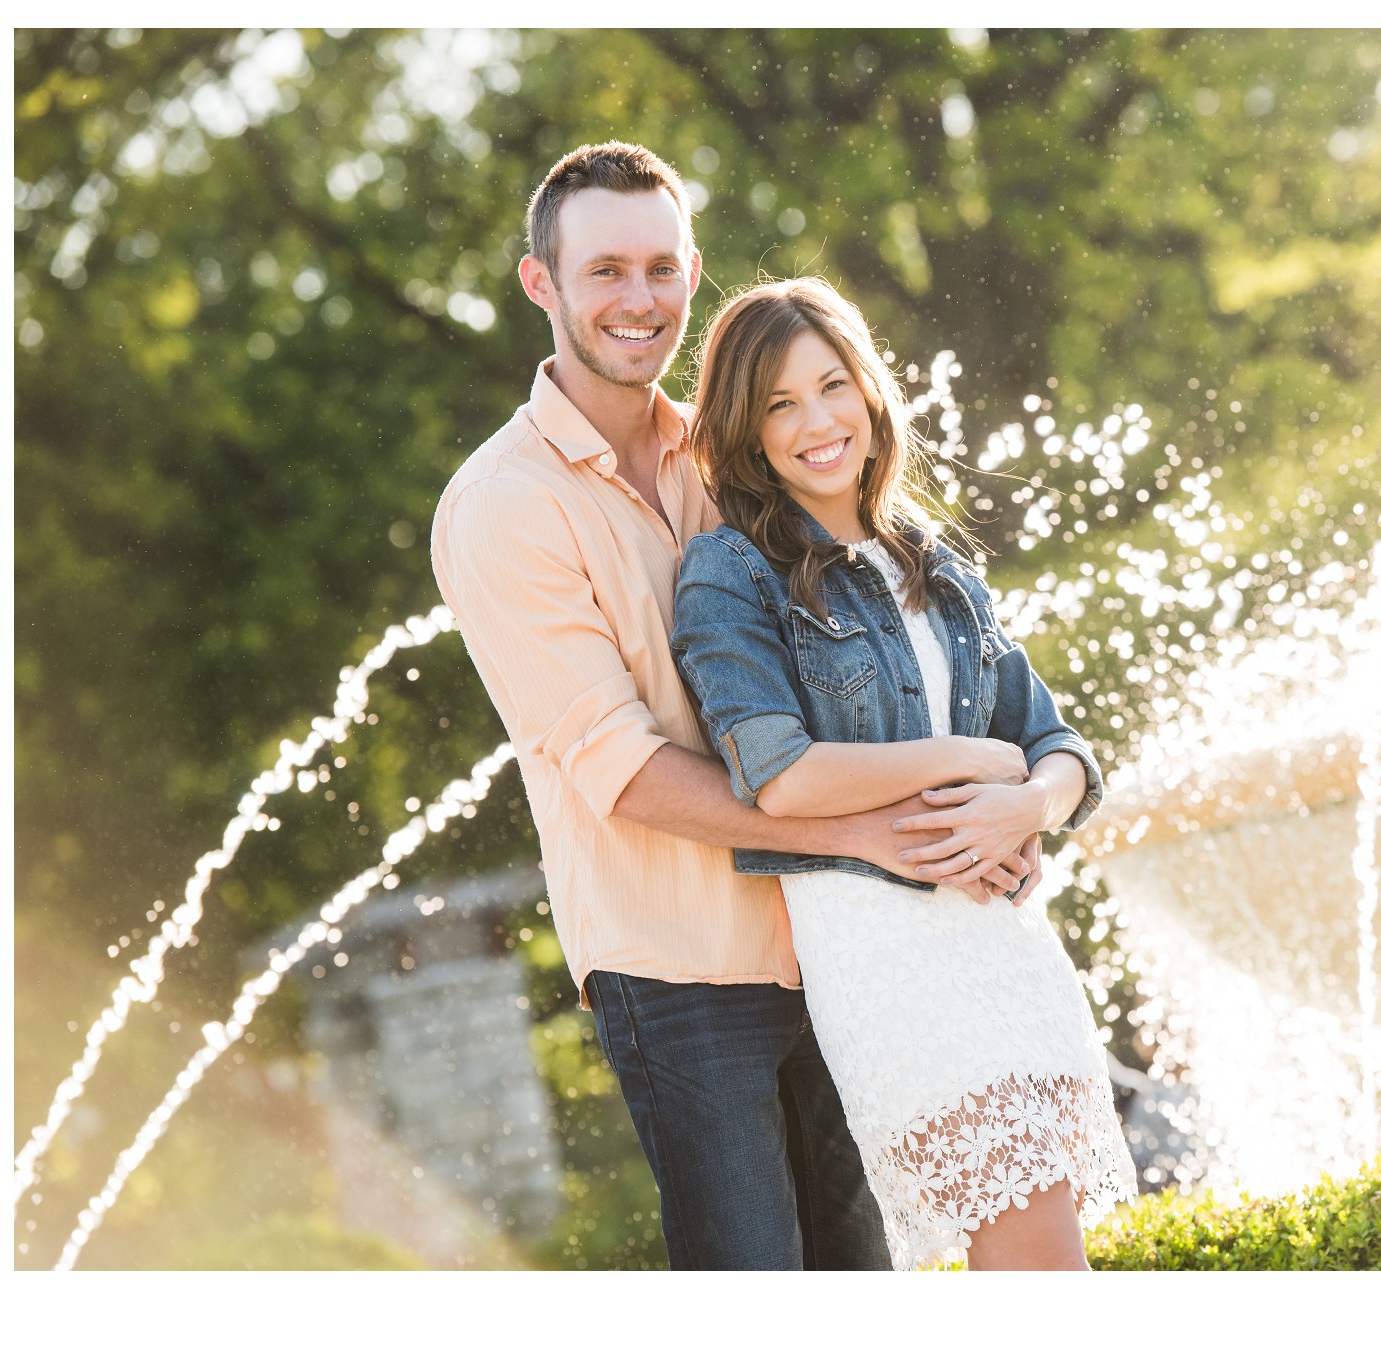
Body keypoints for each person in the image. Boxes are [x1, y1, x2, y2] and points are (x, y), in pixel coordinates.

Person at [430, 142, 1037, 1271]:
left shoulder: (727, 451)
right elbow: (621, 767)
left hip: (839, 944)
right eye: (604, 269)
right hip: (679, 968)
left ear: (693, 273)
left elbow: (876, 654)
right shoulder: (501, 507)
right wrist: (872, 833)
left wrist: (985, 815)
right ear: (541, 283)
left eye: (661, 269)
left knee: (867, 1280)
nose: (638, 299)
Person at [670, 276, 1138, 1270]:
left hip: (1004, 946)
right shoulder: (732, 573)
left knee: (1047, 1263)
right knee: (1041, 1272)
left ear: (871, 392)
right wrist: (972, 759)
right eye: (778, 405)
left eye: (832, 386)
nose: (815, 422)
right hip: (892, 960)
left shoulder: (932, 561)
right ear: (747, 434)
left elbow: (1063, 750)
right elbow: (780, 775)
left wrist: (1024, 803)